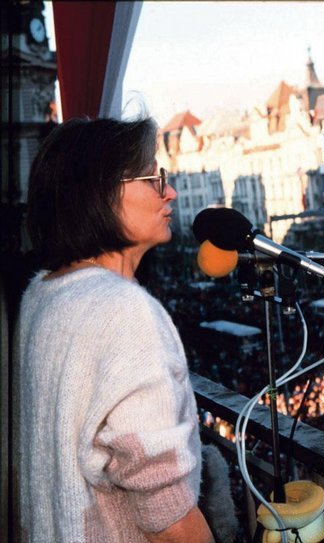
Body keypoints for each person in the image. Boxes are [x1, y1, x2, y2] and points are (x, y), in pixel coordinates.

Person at [14, 117, 213, 542]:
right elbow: (170, 515)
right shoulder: (123, 311)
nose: (170, 191)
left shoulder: (42, 294)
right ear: (101, 195)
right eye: (154, 178)